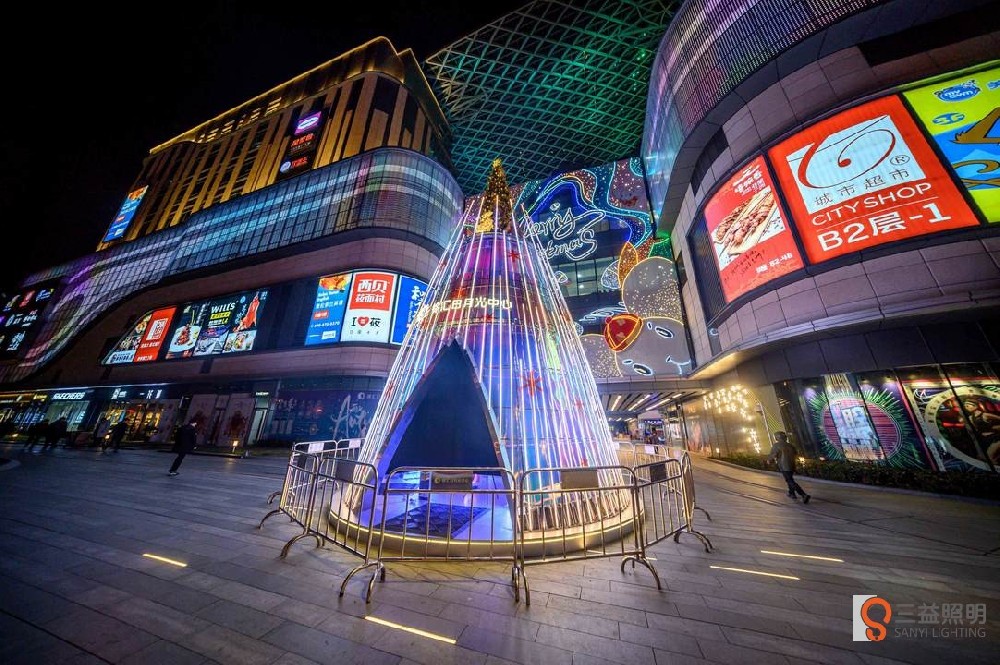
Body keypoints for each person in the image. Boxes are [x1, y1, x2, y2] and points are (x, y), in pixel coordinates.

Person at [768, 431, 810, 503]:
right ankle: (792, 493)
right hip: (792, 465)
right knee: (789, 479)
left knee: (789, 480)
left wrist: (769, 460)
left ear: (777, 437)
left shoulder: (776, 445)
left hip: (784, 466)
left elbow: (773, 455)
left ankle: (803, 494)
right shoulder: (790, 445)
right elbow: (795, 453)